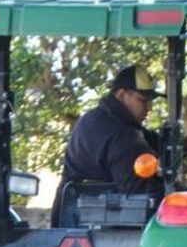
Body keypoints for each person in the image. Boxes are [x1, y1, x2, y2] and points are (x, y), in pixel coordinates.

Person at [60, 64, 166, 200]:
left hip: (71, 210)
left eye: (151, 101)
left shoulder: (98, 118)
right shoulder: (120, 135)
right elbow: (143, 192)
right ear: (121, 95)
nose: (149, 107)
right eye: (143, 100)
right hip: (84, 216)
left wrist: (177, 145)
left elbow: (148, 139)